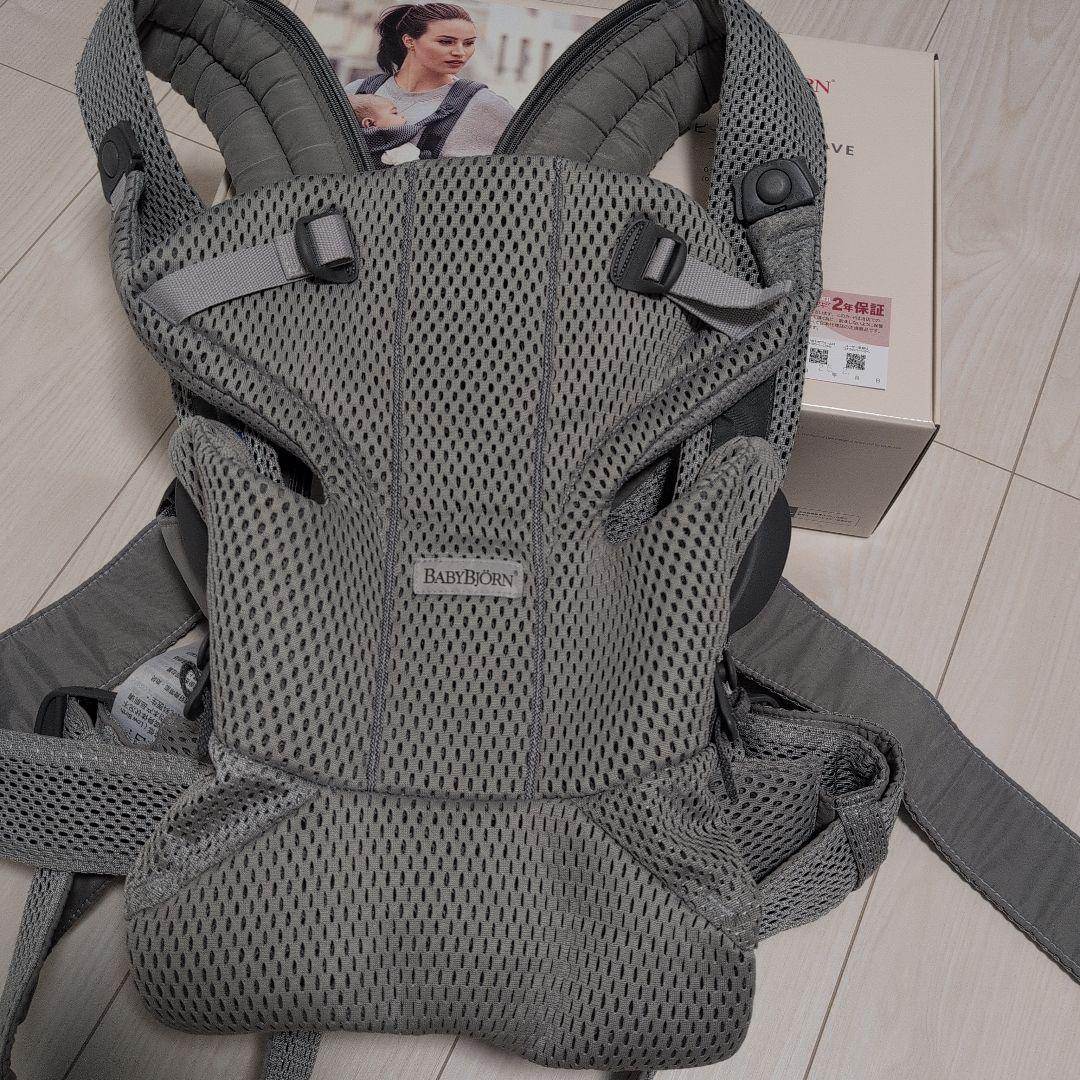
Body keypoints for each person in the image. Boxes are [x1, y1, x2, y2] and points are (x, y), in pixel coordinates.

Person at [344, 3, 515, 161]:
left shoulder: (485, 105)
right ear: (409, 41)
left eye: (469, 43)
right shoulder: (357, 92)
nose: (460, 52)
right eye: (446, 42)